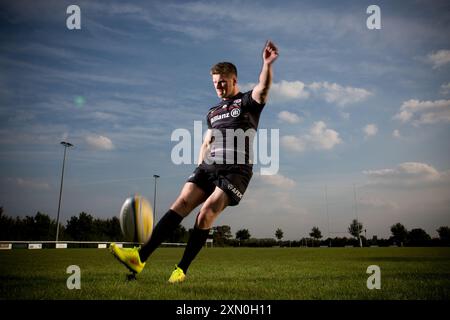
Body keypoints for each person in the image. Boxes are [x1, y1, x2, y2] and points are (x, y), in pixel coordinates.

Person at [110, 40, 279, 283]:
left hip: (236, 170)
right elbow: (206, 142)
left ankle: (181, 270)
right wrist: (200, 165)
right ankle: (139, 258)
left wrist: (267, 64)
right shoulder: (212, 113)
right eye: (214, 83)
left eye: (222, 81)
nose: (218, 86)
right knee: (181, 202)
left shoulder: (247, 102)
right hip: (208, 167)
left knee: (205, 214)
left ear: (234, 80)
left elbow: (263, 88)